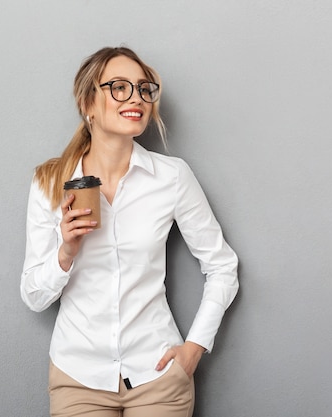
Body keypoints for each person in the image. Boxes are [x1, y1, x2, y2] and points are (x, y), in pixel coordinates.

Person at [20, 46, 239, 417]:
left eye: (143, 88)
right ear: (88, 101)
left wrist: (194, 349)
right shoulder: (51, 182)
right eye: (119, 87)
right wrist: (66, 252)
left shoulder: (172, 177)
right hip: (78, 380)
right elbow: (33, 296)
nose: (135, 98)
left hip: (158, 376)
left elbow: (222, 267)